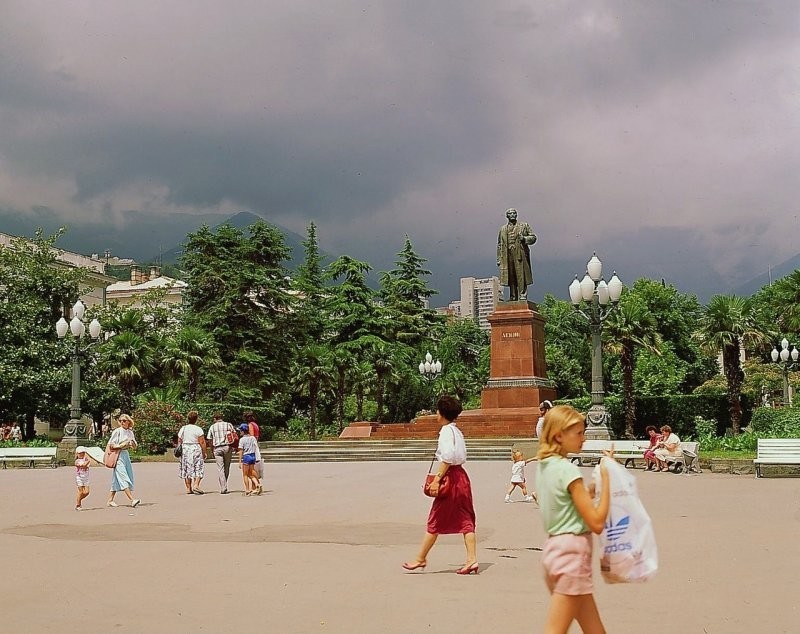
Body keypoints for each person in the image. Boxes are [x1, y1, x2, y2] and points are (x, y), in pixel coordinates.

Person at [536, 405, 612, 634]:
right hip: (572, 555)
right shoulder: (569, 470)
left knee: (594, 630)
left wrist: (588, 491)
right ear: (559, 435)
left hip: (555, 551)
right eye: (578, 433)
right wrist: (607, 479)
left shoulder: (545, 467)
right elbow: (597, 522)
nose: (583, 439)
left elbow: (564, 504)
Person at [403, 395, 478, 575]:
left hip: (450, 477)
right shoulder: (457, 431)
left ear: (442, 413)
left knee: (435, 519)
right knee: (466, 519)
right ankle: (472, 559)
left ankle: (421, 558)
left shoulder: (445, 431)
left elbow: (448, 457)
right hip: (461, 477)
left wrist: (437, 478)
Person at [497, 207, 537, 301]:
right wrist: (499, 258)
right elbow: (499, 244)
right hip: (507, 254)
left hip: (520, 253)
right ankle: (513, 296)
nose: (513, 215)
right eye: (510, 213)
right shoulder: (503, 229)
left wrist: (524, 238)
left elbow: (533, 237)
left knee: (520, 274)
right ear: (507, 216)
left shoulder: (524, 225)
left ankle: (522, 294)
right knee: (511, 275)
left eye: (514, 213)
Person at [106, 414, 141, 508]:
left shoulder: (130, 432)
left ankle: (110, 500)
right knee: (123, 476)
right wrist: (122, 445)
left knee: (117, 478)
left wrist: (132, 444)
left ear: (128, 422)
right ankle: (132, 499)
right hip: (118, 455)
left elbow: (134, 446)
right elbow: (111, 445)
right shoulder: (117, 432)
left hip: (125, 455)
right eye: (120, 420)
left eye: (124, 420)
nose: (122, 422)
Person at [177, 411, 207, 494]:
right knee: (198, 466)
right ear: (196, 419)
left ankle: (188, 488)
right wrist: (204, 452)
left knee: (186, 467)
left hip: (185, 448)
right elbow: (202, 442)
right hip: (195, 448)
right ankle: (196, 485)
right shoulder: (198, 429)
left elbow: (179, 440)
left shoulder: (183, 428)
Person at [206, 412, 237, 494]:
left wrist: (212, 448)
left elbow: (209, 438)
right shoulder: (228, 425)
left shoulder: (212, 427)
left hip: (217, 448)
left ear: (215, 418)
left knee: (220, 468)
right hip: (227, 447)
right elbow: (234, 434)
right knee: (227, 467)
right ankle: (225, 484)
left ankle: (223, 487)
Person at [237, 423, 261, 496]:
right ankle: (257, 484)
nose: (240, 432)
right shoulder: (252, 438)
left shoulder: (242, 440)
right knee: (251, 472)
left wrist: (240, 461)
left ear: (243, 431)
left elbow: (241, 451)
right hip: (253, 456)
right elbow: (255, 446)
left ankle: (247, 489)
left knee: (245, 474)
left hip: (246, 456)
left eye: (240, 431)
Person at [74, 446, 101, 510]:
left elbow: (87, 464)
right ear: (77, 454)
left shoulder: (86, 459)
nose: (82, 454)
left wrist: (87, 460)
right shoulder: (77, 461)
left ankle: (79, 500)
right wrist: (87, 462)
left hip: (86, 478)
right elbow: (83, 465)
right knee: (81, 492)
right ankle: (78, 505)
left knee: (86, 492)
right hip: (79, 478)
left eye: (83, 453)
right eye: (80, 453)